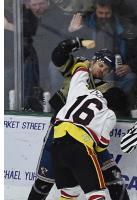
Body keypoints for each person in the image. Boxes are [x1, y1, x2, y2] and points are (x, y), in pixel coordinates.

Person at [27, 37, 130, 200]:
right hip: (59, 130)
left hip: (87, 137)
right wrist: (77, 42)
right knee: (45, 181)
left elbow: (116, 105)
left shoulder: (106, 88)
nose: (102, 71)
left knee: (113, 177)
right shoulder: (77, 69)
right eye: (101, 65)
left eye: (107, 70)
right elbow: (58, 56)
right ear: (93, 61)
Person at [67, 0, 137, 95]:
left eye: (107, 13)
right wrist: (73, 32)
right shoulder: (86, 23)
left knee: (130, 77)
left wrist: (129, 66)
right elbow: (72, 49)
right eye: (101, 13)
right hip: (89, 67)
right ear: (96, 10)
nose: (104, 16)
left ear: (112, 12)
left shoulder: (122, 26)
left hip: (114, 70)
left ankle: (114, 104)